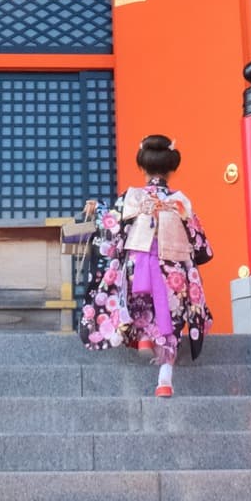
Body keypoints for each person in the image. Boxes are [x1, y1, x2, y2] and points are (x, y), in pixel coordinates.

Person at [77, 134, 213, 397]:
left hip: (136, 265)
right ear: (173, 169)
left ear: (141, 167)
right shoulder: (181, 201)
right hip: (172, 269)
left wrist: (100, 209)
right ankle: (164, 379)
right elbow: (198, 242)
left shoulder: (132, 197)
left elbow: (112, 227)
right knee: (172, 316)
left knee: (137, 302)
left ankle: (143, 338)